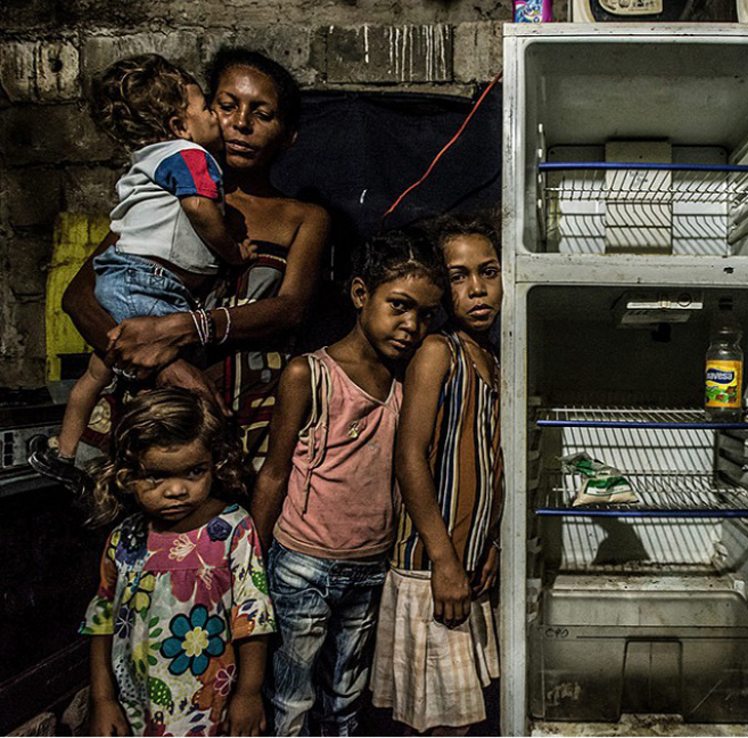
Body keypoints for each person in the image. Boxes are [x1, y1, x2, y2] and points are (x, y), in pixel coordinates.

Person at [60, 47, 330, 470]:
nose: (241, 123)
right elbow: (79, 298)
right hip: (154, 405)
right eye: (227, 105)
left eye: (262, 114)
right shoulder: (165, 194)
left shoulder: (305, 218)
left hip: (252, 406)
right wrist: (164, 365)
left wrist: (185, 328)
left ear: (287, 135)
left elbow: (290, 309)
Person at [29, 53, 254, 495]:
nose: (219, 117)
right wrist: (233, 252)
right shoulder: (190, 156)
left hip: (124, 278)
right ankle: (223, 467)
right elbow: (200, 210)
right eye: (209, 108)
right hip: (149, 284)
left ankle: (66, 455)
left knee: (98, 373)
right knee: (186, 396)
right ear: (179, 125)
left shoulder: (148, 161)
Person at [250, 231, 446, 735]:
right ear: (361, 294)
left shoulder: (406, 385)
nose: (411, 326)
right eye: (399, 305)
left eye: (426, 315)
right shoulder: (309, 374)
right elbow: (273, 473)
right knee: (291, 700)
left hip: (368, 568)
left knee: (344, 701)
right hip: (301, 565)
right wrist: (250, 567)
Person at [370, 214, 504, 735]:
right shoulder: (437, 352)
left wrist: (492, 546)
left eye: (488, 272)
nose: (477, 289)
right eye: (458, 276)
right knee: (440, 725)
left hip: (468, 568)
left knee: (458, 722)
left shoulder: (492, 358)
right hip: (430, 570)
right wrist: (446, 562)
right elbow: (410, 458)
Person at [78, 388, 276, 736]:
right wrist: (103, 699)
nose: (176, 490)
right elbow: (102, 622)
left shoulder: (233, 529)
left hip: (209, 708)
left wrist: (248, 693)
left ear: (215, 463)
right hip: (136, 708)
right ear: (127, 475)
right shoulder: (125, 539)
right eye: (156, 476)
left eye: (194, 472)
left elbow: (253, 617)